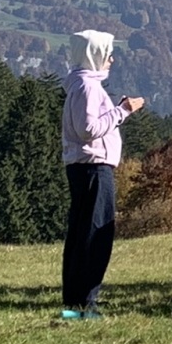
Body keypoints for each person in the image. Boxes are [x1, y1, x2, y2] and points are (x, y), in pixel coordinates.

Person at [60, 29, 144, 320]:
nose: (112, 59)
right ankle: (85, 304)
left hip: (84, 167)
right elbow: (88, 129)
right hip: (94, 167)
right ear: (95, 55)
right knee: (95, 235)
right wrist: (123, 111)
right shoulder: (88, 87)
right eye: (108, 53)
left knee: (81, 233)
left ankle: (74, 304)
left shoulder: (80, 84)